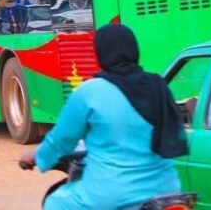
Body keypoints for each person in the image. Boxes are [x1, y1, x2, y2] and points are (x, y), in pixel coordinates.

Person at [19, 23, 187, 210]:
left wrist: (36, 157)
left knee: (55, 202)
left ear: (100, 55)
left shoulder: (89, 91)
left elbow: (61, 141)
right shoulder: (159, 86)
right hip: (167, 191)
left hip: (111, 195)